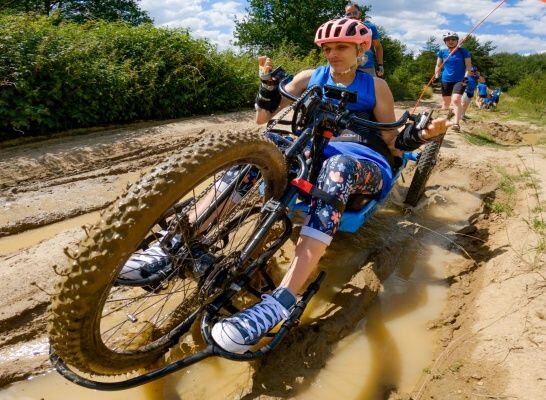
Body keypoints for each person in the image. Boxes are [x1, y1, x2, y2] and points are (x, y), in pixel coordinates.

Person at [209, 18, 451, 353]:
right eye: (328, 48)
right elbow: (263, 118)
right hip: (314, 152)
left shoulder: (375, 87)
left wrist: (421, 135)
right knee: (267, 146)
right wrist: (267, 83)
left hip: (362, 158)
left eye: (341, 47)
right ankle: (182, 239)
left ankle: (282, 298)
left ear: (360, 50)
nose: (333, 54)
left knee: (339, 168)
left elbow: (392, 141)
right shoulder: (310, 77)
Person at [435, 32, 473, 132]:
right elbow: (438, 65)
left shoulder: (463, 51)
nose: (451, 41)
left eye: (453, 39)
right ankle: (443, 122)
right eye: (448, 40)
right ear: (445, 42)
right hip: (446, 79)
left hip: (460, 79)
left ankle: (456, 123)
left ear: (457, 40)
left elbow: (469, 66)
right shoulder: (442, 52)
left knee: (456, 100)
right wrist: (436, 74)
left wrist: (466, 77)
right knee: (446, 102)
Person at [344, 2, 384, 77]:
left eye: (355, 13)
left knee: (371, 88)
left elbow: (378, 46)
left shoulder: (370, 27)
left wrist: (380, 65)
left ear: (359, 13)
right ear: (345, 16)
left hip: (367, 68)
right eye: (348, 14)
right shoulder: (342, 28)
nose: (352, 16)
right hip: (347, 67)